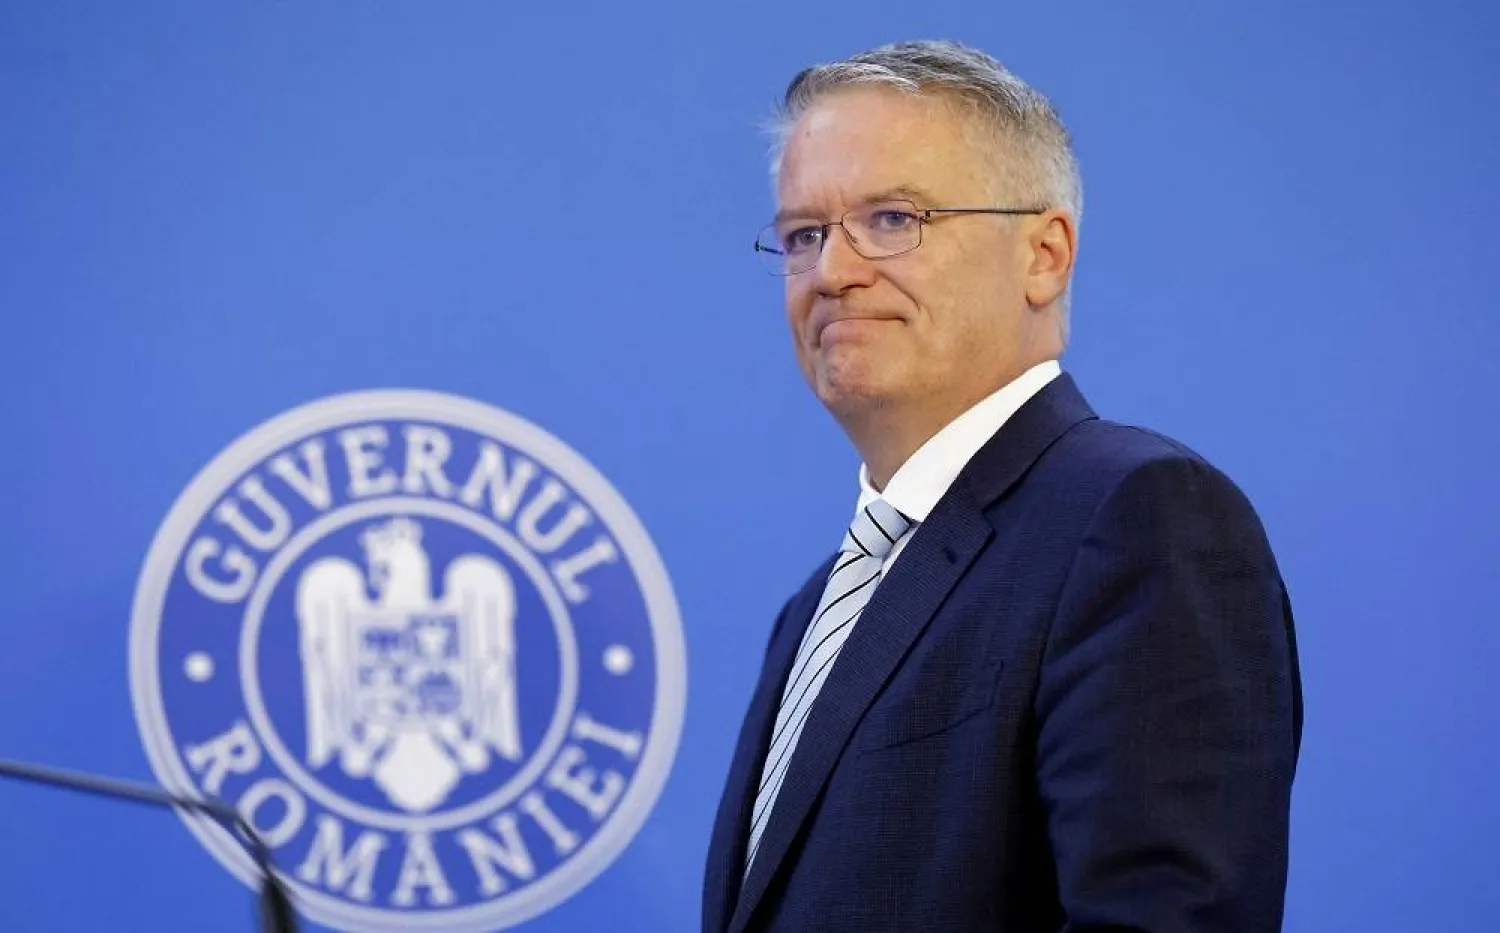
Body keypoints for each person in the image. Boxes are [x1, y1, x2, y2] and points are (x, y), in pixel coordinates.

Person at [702, 39, 1303, 933]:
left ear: (1045, 255)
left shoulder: (1141, 519)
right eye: (804, 234)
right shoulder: (812, 609)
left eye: (894, 219)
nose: (832, 272)